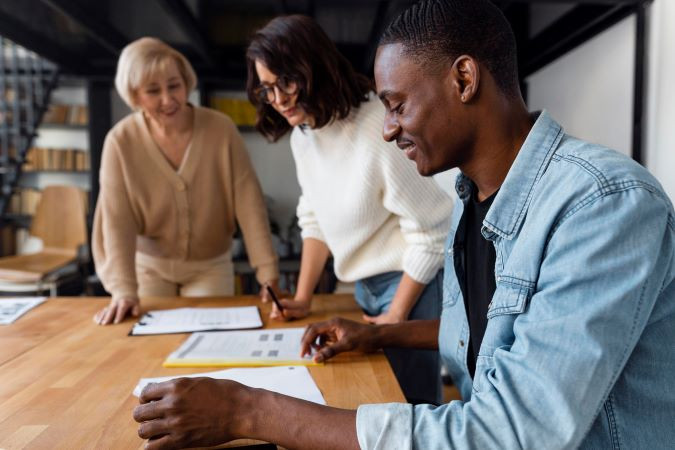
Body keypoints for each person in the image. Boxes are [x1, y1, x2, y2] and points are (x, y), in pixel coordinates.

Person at [132, 1, 675, 449]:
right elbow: (481, 337)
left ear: (464, 79)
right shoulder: (471, 196)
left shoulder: (603, 205)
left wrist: (245, 409)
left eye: (396, 106)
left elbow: (513, 433)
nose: (387, 130)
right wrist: (379, 333)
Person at [244, 15, 453, 405]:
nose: (279, 99)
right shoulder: (304, 135)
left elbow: (435, 232)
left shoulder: (377, 127)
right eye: (268, 89)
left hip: (412, 284)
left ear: (314, 69)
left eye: (287, 82)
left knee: (413, 405)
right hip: (364, 286)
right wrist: (303, 297)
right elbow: (313, 218)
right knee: (380, 398)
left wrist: (395, 316)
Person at [92, 37, 280, 325]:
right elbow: (117, 220)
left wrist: (267, 272)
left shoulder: (221, 129)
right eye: (153, 91)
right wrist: (124, 289)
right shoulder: (120, 142)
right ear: (135, 95)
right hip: (149, 268)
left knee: (212, 347)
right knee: (147, 350)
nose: (168, 100)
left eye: (174, 85)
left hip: (210, 266)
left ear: (186, 82)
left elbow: (249, 202)